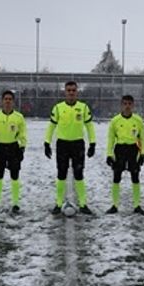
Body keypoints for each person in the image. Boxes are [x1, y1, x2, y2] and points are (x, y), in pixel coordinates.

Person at [44, 81, 97, 216]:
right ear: (65, 92)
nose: (71, 93)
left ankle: (83, 204)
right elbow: (51, 126)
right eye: (69, 90)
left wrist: (92, 143)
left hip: (78, 144)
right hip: (62, 145)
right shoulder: (58, 108)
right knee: (61, 174)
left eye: (73, 90)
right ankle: (59, 203)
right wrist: (46, 143)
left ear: (77, 92)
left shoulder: (83, 108)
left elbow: (89, 126)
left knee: (79, 174)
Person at [0, 90, 27, 214]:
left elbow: (23, 134)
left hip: (13, 148)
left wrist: (22, 148)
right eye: (6, 99)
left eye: (10, 99)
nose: (8, 101)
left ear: (13, 101)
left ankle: (15, 203)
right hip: (0, 148)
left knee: (15, 176)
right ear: (2, 101)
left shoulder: (19, 117)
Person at [106, 95, 144, 215]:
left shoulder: (138, 120)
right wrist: (109, 154)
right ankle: (114, 205)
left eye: (129, 104)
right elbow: (111, 139)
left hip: (133, 150)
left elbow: (142, 138)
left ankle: (137, 205)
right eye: (125, 104)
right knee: (116, 177)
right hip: (120, 150)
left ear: (133, 105)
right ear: (121, 105)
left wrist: (143, 154)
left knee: (135, 177)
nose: (127, 106)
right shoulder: (115, 121)